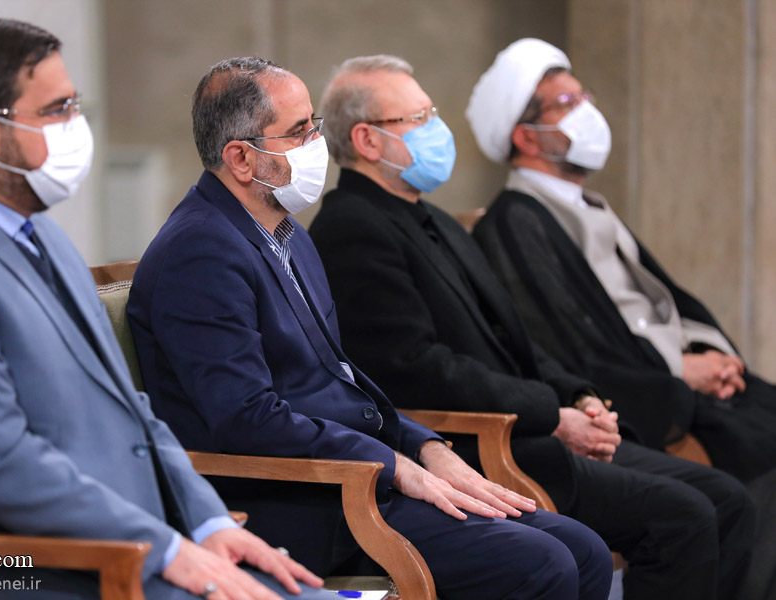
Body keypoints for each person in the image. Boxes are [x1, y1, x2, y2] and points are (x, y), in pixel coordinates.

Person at [127, 56, 612, 600]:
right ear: (241, 158)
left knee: (583, 549)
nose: (317, 143)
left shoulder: (287, 234)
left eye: (314, 124)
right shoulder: (200, 252)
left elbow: (338, 377)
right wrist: (392, 465)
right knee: (542, 563)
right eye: (299, 131)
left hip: (356, 475)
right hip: (301, 500)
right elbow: (247, 418)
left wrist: (426, 447)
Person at [0, 18, 328, 600]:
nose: (77, 125)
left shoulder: (40, 233)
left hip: (135, 542)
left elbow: (133, 412)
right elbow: (1, 465)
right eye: (56, 109)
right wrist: (169, 549)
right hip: (19, 568)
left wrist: (208, 522)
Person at [307, 53, 755, 600]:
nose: (436, 128)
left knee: (726, 498)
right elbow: (417, 369)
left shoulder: (432, 217)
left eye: (432, 113)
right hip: (488, 446)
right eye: (419, 118)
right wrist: (553, 415)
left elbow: (513, 339)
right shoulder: (352, 227)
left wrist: (579, 395)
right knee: (685, 516)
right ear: (368, 141)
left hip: (532, 426)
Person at [467, 38, 776, 600]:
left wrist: (710, 354)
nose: (586, 110)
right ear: (526, 136)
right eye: (566, 103)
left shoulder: (589, 204)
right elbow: (566, 340)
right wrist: (678, 371)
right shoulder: (515, 221)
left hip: (665, 370)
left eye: (582, 95)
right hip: (627, 392)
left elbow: (662, 299)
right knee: (752, 457)